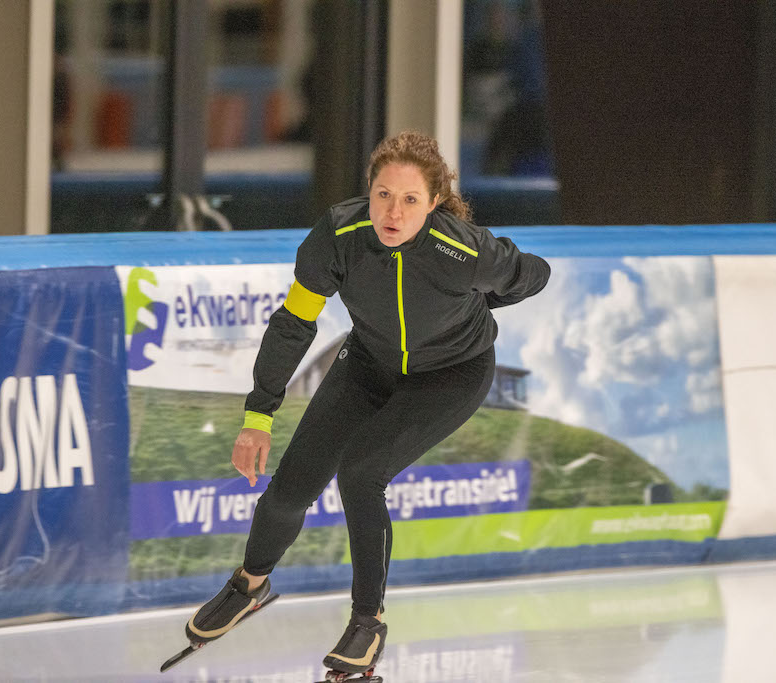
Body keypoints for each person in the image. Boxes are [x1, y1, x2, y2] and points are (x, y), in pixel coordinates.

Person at [185, 131, 551, 676]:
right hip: (368, 365)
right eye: (383, 195)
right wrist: (258, 416)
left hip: (451, 375)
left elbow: (534, 274)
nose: (393, 213)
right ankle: (249, 586)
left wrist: (482, 298)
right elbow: (293, 324)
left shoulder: (463, 250)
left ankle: (367, 622)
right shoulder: (339, 235)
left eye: (410, 200)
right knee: (291, 487)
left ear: (434, 203)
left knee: (361, 473)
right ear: (368, 191)